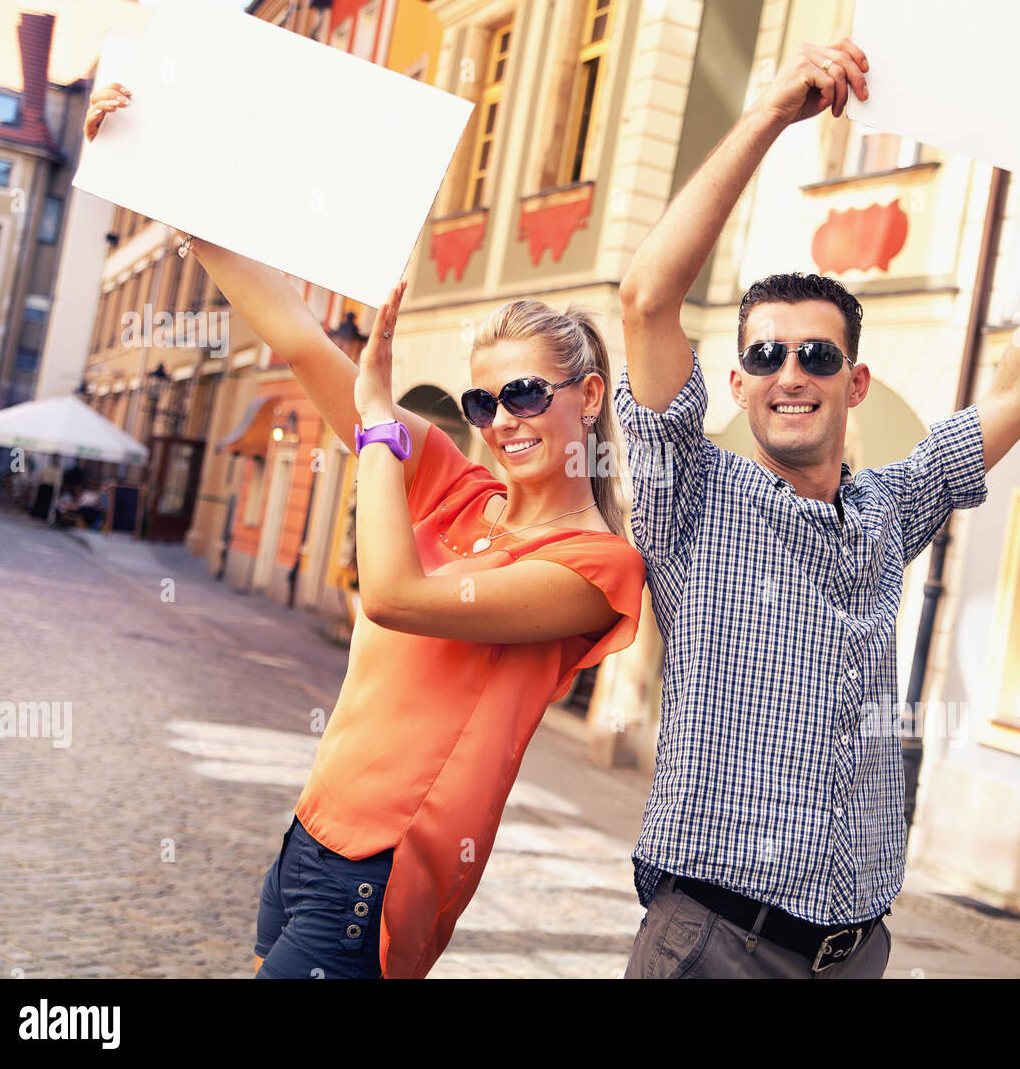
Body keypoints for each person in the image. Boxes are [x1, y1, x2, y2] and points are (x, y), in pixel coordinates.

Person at [614, 39, 1020, 978]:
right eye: (769, 357)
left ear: (855, 382)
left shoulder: (890, 507)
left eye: (818, 357)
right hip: (713, 942)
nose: (794, 374)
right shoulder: (690, 495)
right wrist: (768, 116)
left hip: (855, 953)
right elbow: (646, 299)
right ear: (739, 384)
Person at [86, 82, 647, 979]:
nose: (503, 419)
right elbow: (309, 348)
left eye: (527, 393)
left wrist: (382, 424)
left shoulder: (594, 567)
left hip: (379, 873)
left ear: (586, 397)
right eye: (483, 400)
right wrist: (183, 205)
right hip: (312, 830)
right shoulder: (459, 490)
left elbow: (392, 598)